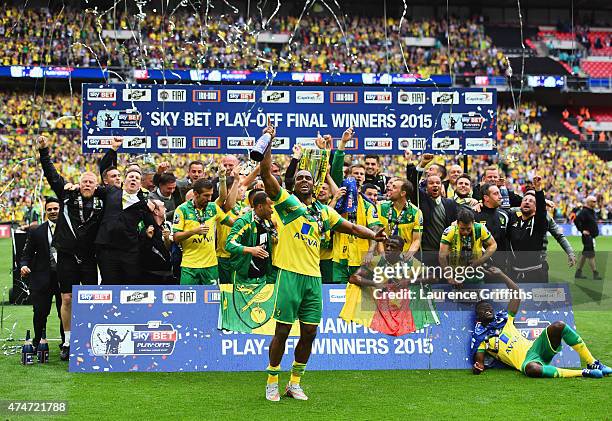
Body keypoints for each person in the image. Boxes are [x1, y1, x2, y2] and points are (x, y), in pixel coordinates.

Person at [259, 124, 385, 402]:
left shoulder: (323, 211)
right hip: (289, 275)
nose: (304, 180)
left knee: (310, 332)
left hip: (314, 279)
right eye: (299, 177)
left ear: (314, 184)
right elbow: (267, 175)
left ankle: (294, 382)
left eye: (308, 177)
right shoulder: (287, 204)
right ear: (293, 184)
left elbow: (350, 227)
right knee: (282, 330)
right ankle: (271, 380)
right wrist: (268, 140)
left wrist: (374, 234)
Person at [472, 267, 610, 379]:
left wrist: (501, 274)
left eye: (489, 308)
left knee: (558, 326)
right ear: (478, 317)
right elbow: (480, 363)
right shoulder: (481, 339)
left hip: (536, 347)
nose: (488, 309)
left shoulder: (505, 320)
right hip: (526, 362)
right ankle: (584, 373)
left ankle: (593, 363)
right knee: (532, 369)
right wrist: (478, 368)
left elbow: (516, 293)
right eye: (483, 309)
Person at [38, 135, 102, 361]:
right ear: (79, 183)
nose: (86, 185)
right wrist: (44, 150)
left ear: (96, 186)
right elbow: (51, 174)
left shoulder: (103, 200)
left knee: (94, 298)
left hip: (89, 257)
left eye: (91, 182)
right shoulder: (67, 194)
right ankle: (67, 340)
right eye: (84, 181)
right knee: (67, 298)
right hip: (66, 255)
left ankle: (94, 337)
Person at [172, 171, 236, 285]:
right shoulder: (182, 210)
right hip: (189, 266)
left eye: (211, 195)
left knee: (211, 301)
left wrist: (248, 218)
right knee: (187, 302)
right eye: (206, 195)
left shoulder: (213, 208)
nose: (210, 198)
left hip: (210, 266)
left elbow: (232, 223)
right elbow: (176, 237)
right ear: (196, 194)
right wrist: (194, 231)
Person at [94, 168, 155, 284]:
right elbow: (92, 190)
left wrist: (147, 232)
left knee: (129, 285)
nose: (133, 179)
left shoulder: (144, 203)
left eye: (137, 178)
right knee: (109, 284)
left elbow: (151, 224)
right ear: (124, 180)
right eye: (131, 177)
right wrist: (74, 186)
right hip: (107, 250)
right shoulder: (111, 191)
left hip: (129, 251)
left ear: (140, 184)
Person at [19, 197, 65, 350]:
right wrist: (24, 266)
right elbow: (27, 255)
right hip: (41, 278)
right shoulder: (37, 231)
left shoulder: (70, 228)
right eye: (50, 209)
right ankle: (37, 342)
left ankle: (66, 344)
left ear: (61, 209)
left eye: (55, 208)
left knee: (64, 313)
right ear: (45, 212)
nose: (53, 212)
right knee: (40, 312)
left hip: (64, 278)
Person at [406, 153, 458, 266]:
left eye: (437, 183)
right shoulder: (421, 199)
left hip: (445, 252)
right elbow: (412, 183)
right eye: (431, 183)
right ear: (426, 186)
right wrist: (423, 164)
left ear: (441, 185)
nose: (435, 185)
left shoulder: (450, 204)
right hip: (425, 253)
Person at [506, 175, 548, 283]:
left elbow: (542, 212)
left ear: (536, 207)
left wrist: (538, 189)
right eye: (525, 200)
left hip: (535, 275)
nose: (527, 202)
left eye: (531, 201)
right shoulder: (513, 219)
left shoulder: (539, 222)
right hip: (514, 273)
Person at [439, 208, 497, 285]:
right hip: (456, 272)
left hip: (476, 272)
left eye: (468, 229)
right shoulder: (450, 230)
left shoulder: (479, 228)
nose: (465, 232)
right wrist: (449, 278)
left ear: (473, 222)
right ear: (457, 223)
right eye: (462, 229)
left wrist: (480, 260)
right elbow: (442, 256)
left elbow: (493, 245)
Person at [139, 199, 174, 284]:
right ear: (156, 212)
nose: (166, 209)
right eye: (163, 206)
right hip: (151, 277)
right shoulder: (147, 230)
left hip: (170, 275)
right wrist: (148, 238)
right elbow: (142, 252)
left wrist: (167, 238)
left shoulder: (168, 226)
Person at [574, 195, 601, 280]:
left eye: (595, 201)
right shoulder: (584, 211)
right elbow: (576, 220)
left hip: (591, 236)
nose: (595, 203)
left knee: (585, 255)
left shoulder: (591, 211)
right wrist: (582, 230)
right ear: (588, 202)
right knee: (591, 254)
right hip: (587, 237)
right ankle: (595, 273)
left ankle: (578, 272)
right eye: (593, 201)